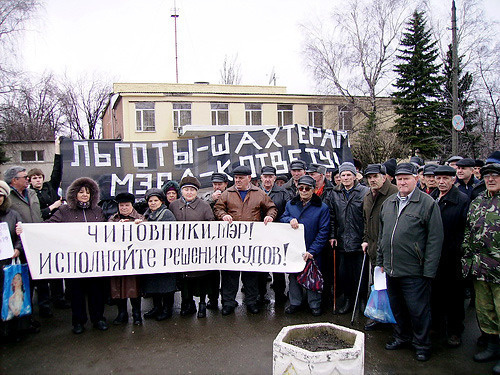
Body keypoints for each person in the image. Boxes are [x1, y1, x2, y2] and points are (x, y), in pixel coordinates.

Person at [377, 162, 443, 362]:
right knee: (397, 307)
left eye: (407, 178)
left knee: (418, 310)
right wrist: (381, 261)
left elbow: (435, 239)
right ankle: (401, 336)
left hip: (415, 270)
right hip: (391, 268)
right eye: (400, 178)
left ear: (416, 179)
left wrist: (429, 270)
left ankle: (421, 344)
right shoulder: (388, 203)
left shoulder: (427, 203)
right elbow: (383, 235)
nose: (403, 182)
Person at [47, 177, 108, 334]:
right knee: (76, 293)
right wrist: (24, 230)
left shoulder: (98, 211)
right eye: (81, 192)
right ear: (75, 193)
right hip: (73, 262)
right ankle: (78, 322)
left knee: (96, 292)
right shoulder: (64, 211)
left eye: (88, 192)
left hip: (95, 261)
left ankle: (98, 319)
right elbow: (47, 227)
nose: (84, 195)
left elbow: (108, 230)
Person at [213, 165, 277, 315]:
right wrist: (223, 215)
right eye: (236, 178)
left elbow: (272, 207)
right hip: (231, 241)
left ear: (249, 178)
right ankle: (228, 302)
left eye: (241, 178)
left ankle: (252, 302)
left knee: (251, 274)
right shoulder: (227, 193)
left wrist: (270, 216)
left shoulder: (259, 193)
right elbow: (217, 208)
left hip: (251, 241)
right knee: (230, 274)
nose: (238, 181)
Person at [462, 163, 500, 375]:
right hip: (481, 268)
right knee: (485, 311)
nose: (491, 179)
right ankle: (492, 346)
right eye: (487, 176)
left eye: (495, 175)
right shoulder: (478, 201)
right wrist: (467, 258)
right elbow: (469, 231)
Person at [27, 138, 69, 312]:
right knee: (43, 269)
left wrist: (58, 151)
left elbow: (57, 172)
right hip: (39, 233)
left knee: (57, 266)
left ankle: (59, 298)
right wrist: (52, 207)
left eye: (40, 177)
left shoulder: (49, 188)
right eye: (34, 178)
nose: (38, 180)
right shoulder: (28, 195)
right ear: (29, 180)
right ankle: (44, 303)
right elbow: (36, 214)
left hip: (54, 232)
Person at [431, 165, 470, 348]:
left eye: (445, 178)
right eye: (438, 178)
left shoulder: (462, 200)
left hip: (453, 255)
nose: (441, 182)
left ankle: (455, 331)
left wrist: (459, 250)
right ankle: (437, 328)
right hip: (434, 255)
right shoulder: (432, 198)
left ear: (453, 180)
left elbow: (465, 229)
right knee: (436, 294)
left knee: (454, 296)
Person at [281, 175, 330, 316]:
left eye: (307, 188)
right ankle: (295, 302)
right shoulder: (291, 204)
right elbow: (283, 218)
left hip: (312, 248)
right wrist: (289, 219)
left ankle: (314, 304)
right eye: (301, 188)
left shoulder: (322, 208)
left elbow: (323, 231)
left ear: (313, 190)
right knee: (294, 276)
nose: (303, 191)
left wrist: (313, 250)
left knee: (312, 275)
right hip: (295, 248)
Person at [3, 166, 47, 321]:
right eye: (24, 177)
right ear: (14, 180)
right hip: (21, 246)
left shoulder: (32, 193)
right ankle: (26, 315)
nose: (28, 179)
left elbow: (39, 214)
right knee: (25, 280)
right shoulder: (8, 198)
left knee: (41, 277)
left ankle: (44, 307)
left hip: (38, 241)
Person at [169, 176, 215, 318]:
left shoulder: (204, 206)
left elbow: (211, 225)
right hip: (181, 250)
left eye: (192, 190)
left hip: (199, 249)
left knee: (201, 278)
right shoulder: (174, 205)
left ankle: (202, 304)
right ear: (181, 191)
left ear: (196, 192)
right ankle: (187, 303)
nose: (189, 193)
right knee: (184, 278)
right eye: (186, 190)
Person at [361, 164, 398, 331]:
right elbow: (366, 221)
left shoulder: (395, 194)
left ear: (384, 177)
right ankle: (379, 316)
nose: (372, 180)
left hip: (391, 250)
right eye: (369, 177)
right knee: (377, 284)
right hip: (373, 248)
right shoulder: (368, 196)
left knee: (393, 286)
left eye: (375, 176)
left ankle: (396, 320)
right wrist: (365, 239)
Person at [330, 162, 369, 314]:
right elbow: (332, 216)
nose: (345, 178)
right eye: (342, 175)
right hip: (342, 240)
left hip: (359, 240)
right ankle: (347, 299)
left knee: (361, 273)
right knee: (344, 274)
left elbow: (367, 218)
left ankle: (362, 300)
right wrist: (332, 236)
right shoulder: (335, 193)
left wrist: (366, 238)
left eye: (348, 175)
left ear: (354, 176)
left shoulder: (364, 192)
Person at [0, 180, 31, 341]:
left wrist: (18, 248)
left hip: (9, 262)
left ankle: (14, 330)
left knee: (13, 295)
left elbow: (21, 235)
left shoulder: (13, 214)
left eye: (0, 195)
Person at [108, 192, 144, 326]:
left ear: (132, 206)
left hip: (134, 261)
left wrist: (140, 225)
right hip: (118, 260)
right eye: (121, 205)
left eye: (126, 205)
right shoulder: (113, 219)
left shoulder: (139, 218)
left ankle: (137, 314)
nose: (124, 208)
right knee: (118, 287)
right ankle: (122, 313)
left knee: (134, 288)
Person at [141, 188, 177, 321]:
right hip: (153, 256)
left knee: (166, 284)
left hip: (165, 255)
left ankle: (167, 309)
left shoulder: (167, 214)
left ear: (161, 201)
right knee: (153, 283)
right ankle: (156, 307)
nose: (153, 203)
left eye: (156, 200)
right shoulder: (146, 215)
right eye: (150, 201)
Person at [306, 163, 336, 309]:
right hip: (311, 235)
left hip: (326, 235)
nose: (310, 177)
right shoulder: (306, 189)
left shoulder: (332, 190)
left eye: (313, 174)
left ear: (322, 175)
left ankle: (326, 296)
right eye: (309, 174)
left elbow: (333, 215)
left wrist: (332, 234)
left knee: (326, 269)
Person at [258, 166, 288, 304]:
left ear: (275, 178)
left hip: (278, 232)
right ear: (261, 178)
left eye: (271, 176)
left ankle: (280, 294)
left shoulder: (283, 192)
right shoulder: (255, 192)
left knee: (278, 266)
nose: (268, 179)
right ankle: (261, 294)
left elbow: (288, 210)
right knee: (261, 266)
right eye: (265, 176)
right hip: (259, 234)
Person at [201, 172, 229, 310]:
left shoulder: (231, 194)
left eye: (220, 184)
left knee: (228, 273)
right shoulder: (207, 197)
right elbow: (200, 207)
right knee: (212, 273)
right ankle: (212, 299)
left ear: (226, 184)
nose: (217, 187)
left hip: (228, 239)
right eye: (215, 184)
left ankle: (227, 300)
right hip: (211, 240)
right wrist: (212, 199)